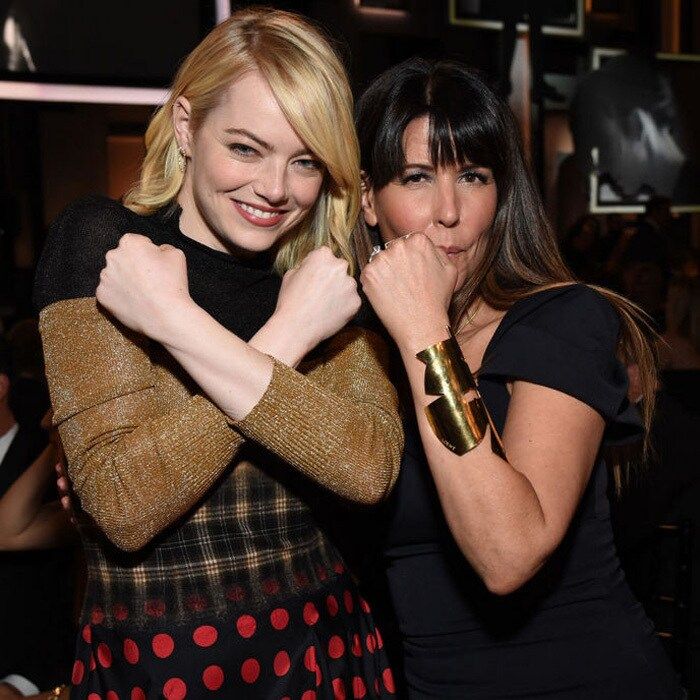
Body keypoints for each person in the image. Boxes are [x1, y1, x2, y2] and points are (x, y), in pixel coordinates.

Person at [34, 9, 402, 698]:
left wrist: (179, 326)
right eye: (245, 148)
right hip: (163, 665)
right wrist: (286, 340)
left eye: (305, 162)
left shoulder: (319, 284)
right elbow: (123, 502)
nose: (275, 189)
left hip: (324, 655)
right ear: (186, 126)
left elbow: (370, 467)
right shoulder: (109, 248)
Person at [356, 57, 684, 698]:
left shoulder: (560, 320)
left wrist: (426, 334)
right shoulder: (353, 354)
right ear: (369, 198)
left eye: (472, 176)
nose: (448, 212)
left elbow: (509, 553)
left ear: (500, 194)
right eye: (417, 177)